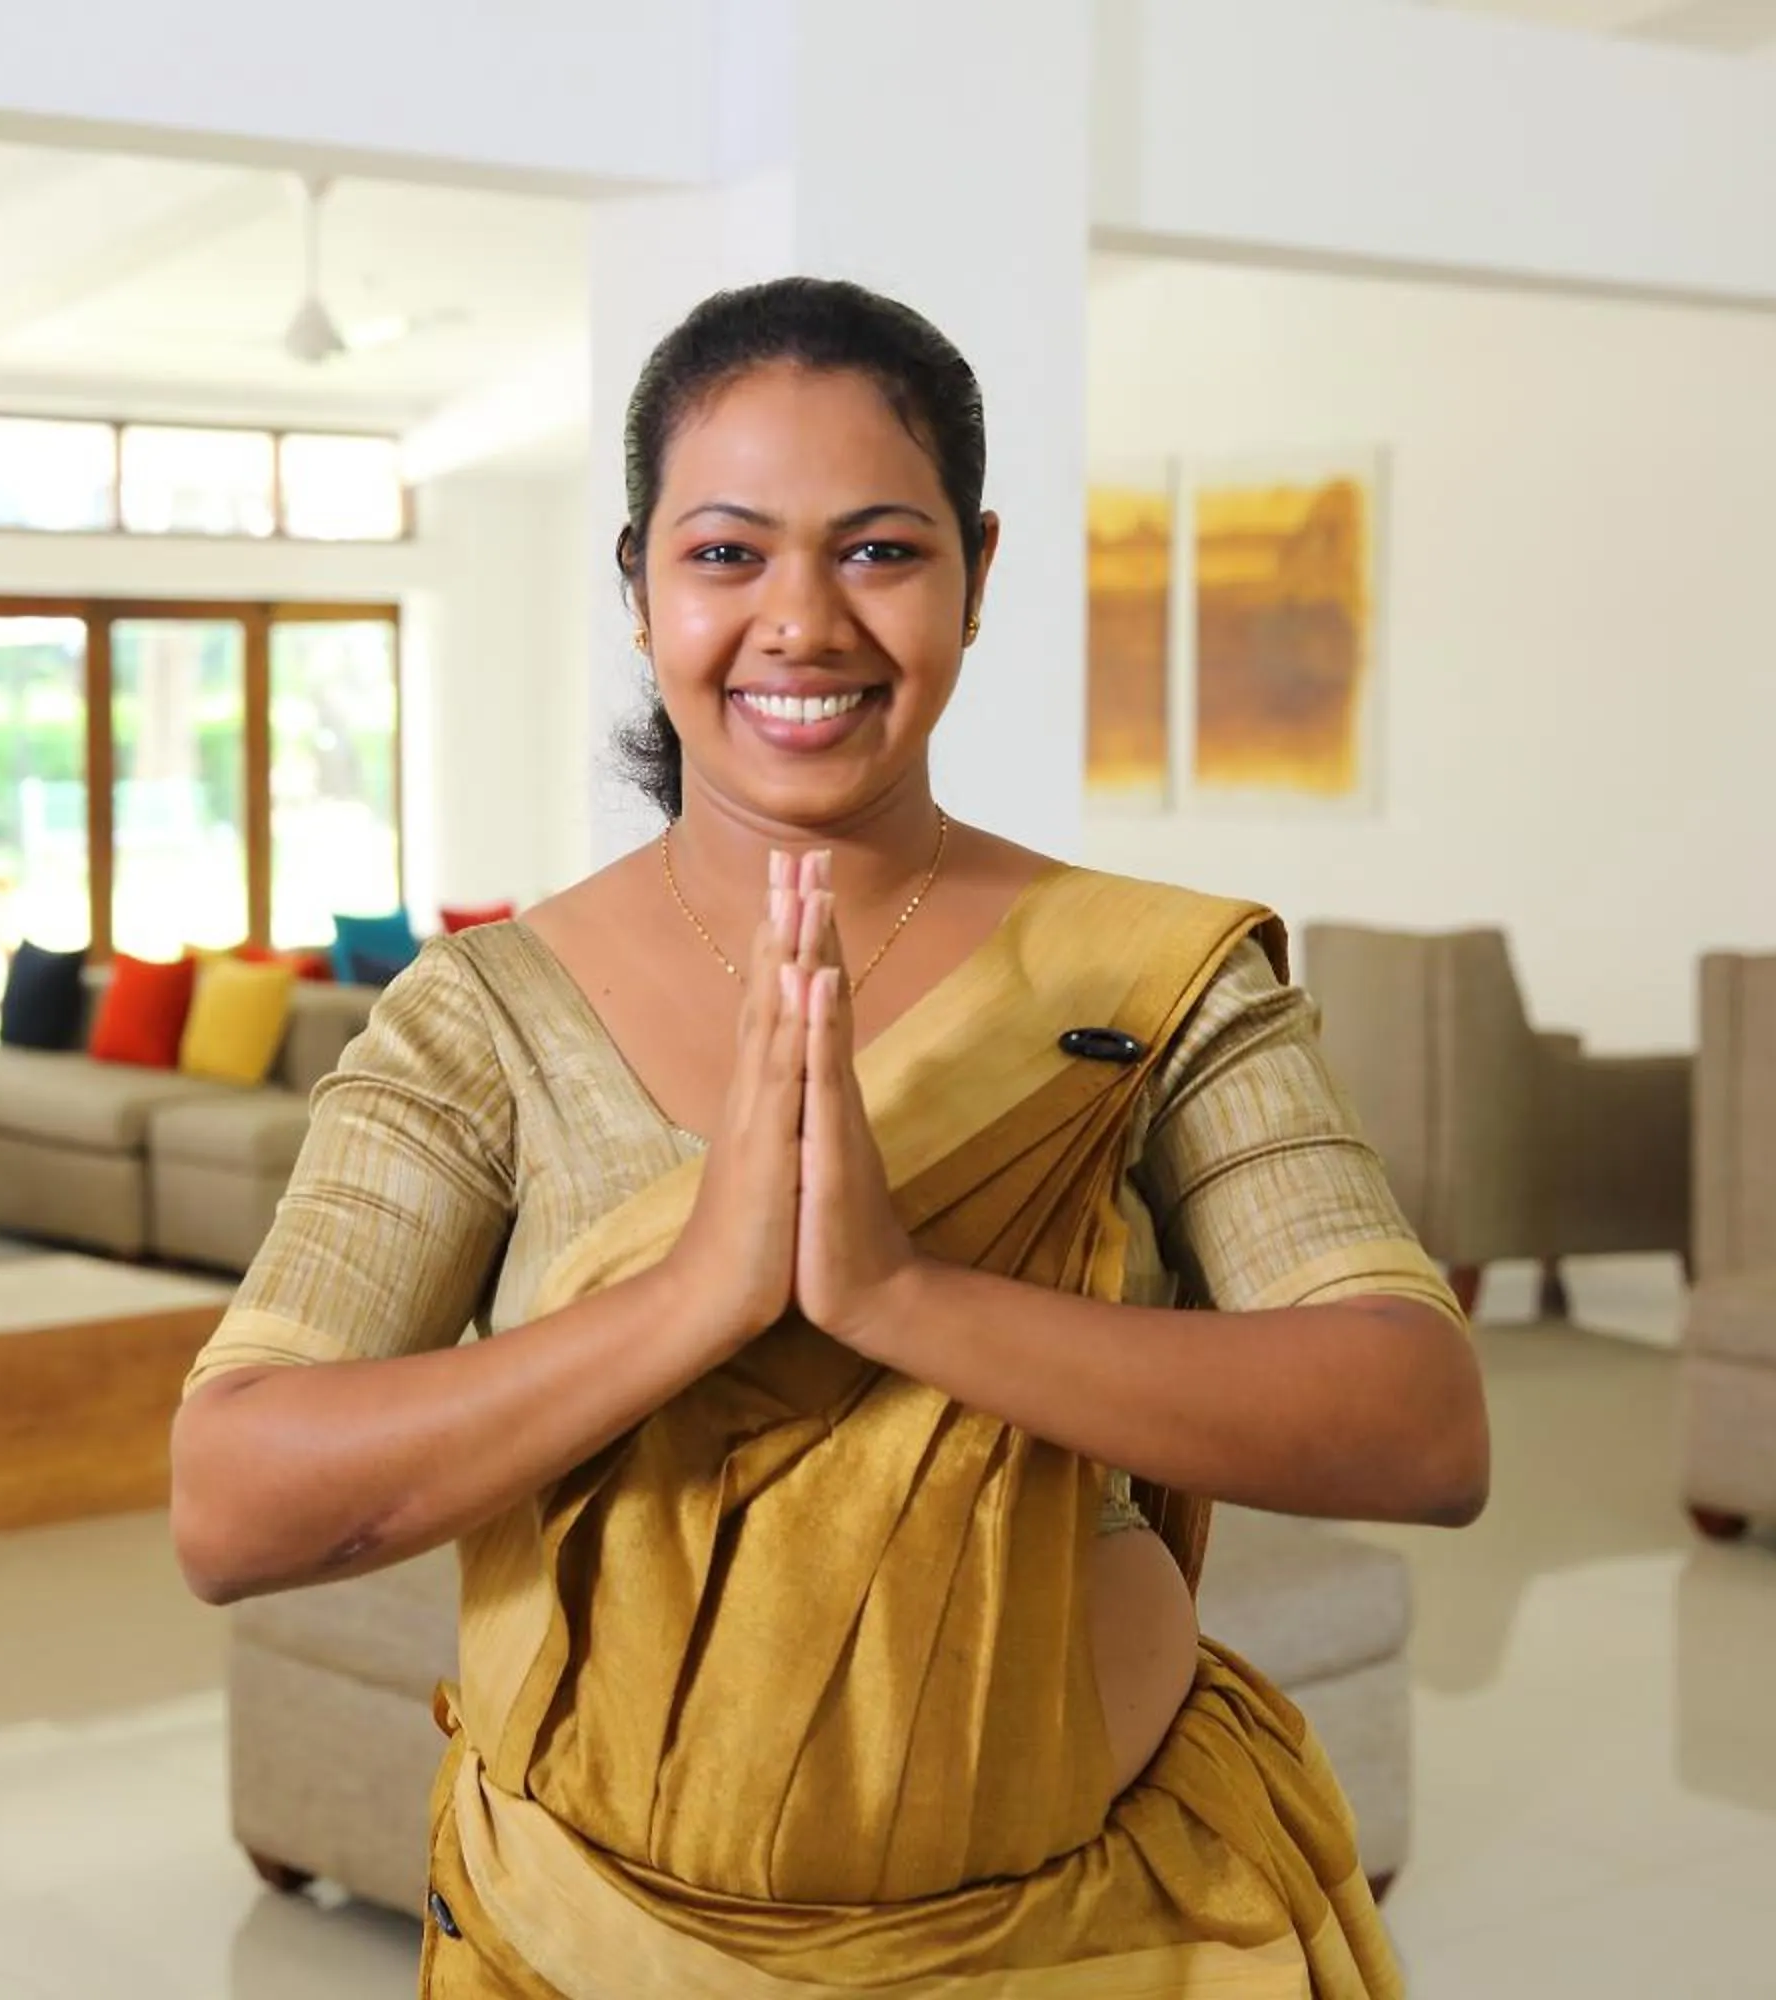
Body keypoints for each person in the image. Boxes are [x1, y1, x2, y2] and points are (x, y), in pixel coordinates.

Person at [169, 276, 1488, 1998]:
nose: (802, 621)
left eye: (878, 550)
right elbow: (234, 1505)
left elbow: (1420, 1429)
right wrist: (693, 1295)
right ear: (639, 588)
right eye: (726, 553)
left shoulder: (1154, 981)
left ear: (978, 575)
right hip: (579, 1952)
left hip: (1114, 1939)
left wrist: (899, 1294)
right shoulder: (484, 1017)